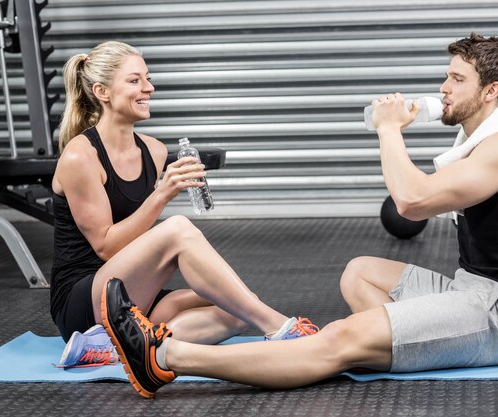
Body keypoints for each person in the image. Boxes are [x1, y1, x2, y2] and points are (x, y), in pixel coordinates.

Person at [101, 34, 498, 398]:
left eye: (456, 79)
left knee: (340, 339)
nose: (443, 88)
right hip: (471, 289)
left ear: (491, 93)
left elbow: (412, 202)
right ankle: (377, 345)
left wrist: (390, 130)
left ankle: (164, 360)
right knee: (358, 272)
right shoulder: (487, 146)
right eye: (446, 75)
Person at [50, 41, 318, 367]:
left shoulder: (154, 150)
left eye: (147, 78)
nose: (148, 87)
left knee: (235, 308)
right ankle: (281, 328)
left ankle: (129, 348)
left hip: (133, 298)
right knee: (177, 229)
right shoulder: (81, 155)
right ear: (102, 91)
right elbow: (106, 247)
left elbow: (136, 242)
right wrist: (162, 194)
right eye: (135, 81)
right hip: (84, 303)